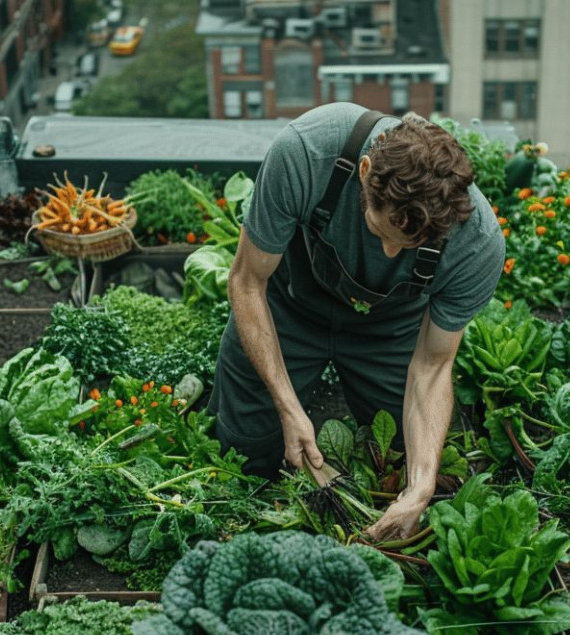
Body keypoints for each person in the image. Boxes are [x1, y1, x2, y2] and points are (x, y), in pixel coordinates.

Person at [209, 103, 506, 542]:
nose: (388, 253)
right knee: (245, 449)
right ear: (365, 172)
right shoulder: (308, 152)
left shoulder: (476, 244)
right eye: (379, 231)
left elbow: (432, 366)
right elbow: (247, 283)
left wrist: (421, 486)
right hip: (288, 306)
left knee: (407, 457)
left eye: (408, 246)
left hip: (388, 330)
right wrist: (290, 408)